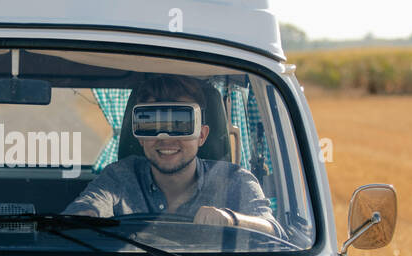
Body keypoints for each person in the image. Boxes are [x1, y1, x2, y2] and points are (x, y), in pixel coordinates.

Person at [62, 74, 284, 238]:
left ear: (202, 135)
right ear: (139, 136)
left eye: (180, 123)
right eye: (150, 124)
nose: (165, 138)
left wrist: (231, 219)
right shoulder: (119, 176)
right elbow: (82, 211)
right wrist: (86, 216)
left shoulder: (235, 179)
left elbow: (274, 231)